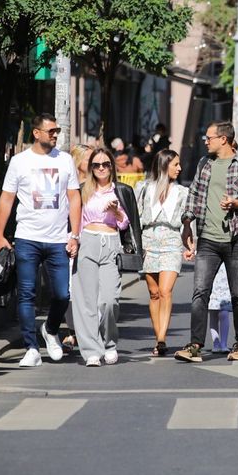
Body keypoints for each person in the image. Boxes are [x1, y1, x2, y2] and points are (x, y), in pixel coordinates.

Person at [0, 113, 81, 367]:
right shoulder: (20, 162)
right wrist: (0, 235)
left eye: (57, 131)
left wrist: (74, 234)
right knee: (27, 295)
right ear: (36, 133)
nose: (56, 134)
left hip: (58, 240)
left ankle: (51, 329)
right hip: (27, 238)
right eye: (51, 130)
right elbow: (6, 198)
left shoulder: (65, 161)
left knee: (62, 295)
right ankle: (31, 347)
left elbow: (74, 197)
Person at [175, 121, 238, 363]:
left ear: (223, 139)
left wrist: (237, 203)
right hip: (208, 240)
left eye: (209, 137)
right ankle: (195, 345)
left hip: (236, 240)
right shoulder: (205, 164)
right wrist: (186, 223)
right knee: (200, 292)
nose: (205, 141)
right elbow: (194, 195)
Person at [73, 147, 140, 366]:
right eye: (96, 165)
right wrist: (72, 239)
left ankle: (109, 343)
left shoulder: (120, 191)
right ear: (90, 168)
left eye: (105, 164)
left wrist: (116, 212)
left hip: (111, 244)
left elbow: (124, 224)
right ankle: (91, 350)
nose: (101, 168)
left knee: (109, 301)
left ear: (112, 166)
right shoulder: (83, 190)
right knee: (87, 302)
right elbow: (75, 219)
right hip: (88, 242)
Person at [138, 149, 189, 356]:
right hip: (148, 242)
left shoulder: (182, 192)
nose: (180, 168)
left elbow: (187, 221)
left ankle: (161, 339)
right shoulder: (143, 188)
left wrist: (189, 244)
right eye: (175, 164)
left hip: (171, 241)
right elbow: (137, 216)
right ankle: (158, 336)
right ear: (164, 165)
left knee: (166, 290)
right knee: (154, 293)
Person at [62, 144, 94, 353]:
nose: (94, 163)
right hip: (68, 239)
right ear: (77, 161)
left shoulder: (97, 185)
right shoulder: (68, 186)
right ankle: (72, 331)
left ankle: (86, 331)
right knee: (69, 289)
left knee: (90, 288)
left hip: (90, 240)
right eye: (89, 159)